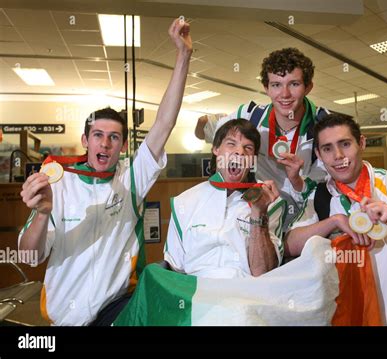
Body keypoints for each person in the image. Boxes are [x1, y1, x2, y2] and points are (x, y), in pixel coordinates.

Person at [17, 18, 193, 326]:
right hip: (65, 317)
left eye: (114, 137)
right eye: (98, 135)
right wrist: (43, 212)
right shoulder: (57, 183)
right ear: (85, 141)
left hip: (116, 310)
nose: (105, 143)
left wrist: (183, 56)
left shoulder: (131, 179)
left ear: (123, 145)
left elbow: (164, 124)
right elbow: (29, 257)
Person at [285, 113, 387, 326]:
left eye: (345, 144)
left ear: (361, 143)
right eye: (327, 148)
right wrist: (334, 221)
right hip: (352, 318)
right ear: (319, 154)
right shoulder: (319, 197)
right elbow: (290, 245)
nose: (338, 155)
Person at [195, 48, 329, 226]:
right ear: (266, 88)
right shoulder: (250, 115)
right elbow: (203, 131)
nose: (285, 94)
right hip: (260, 215)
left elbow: (328, 184)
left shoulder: (324, 125)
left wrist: (297, 180)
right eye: (276, 85)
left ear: (308, 87)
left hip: (304, 220)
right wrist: (204, 122)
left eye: (294, 84)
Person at [165, 119, 286, 278]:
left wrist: (259, 213)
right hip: (196, 293)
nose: (240, 152)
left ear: (253, 161)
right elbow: (175, 268)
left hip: (244, 296)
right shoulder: (184, 202)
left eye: (248, 148)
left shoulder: (269, 200)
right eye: (231, 144)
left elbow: (262, 272)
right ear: (216, 149)